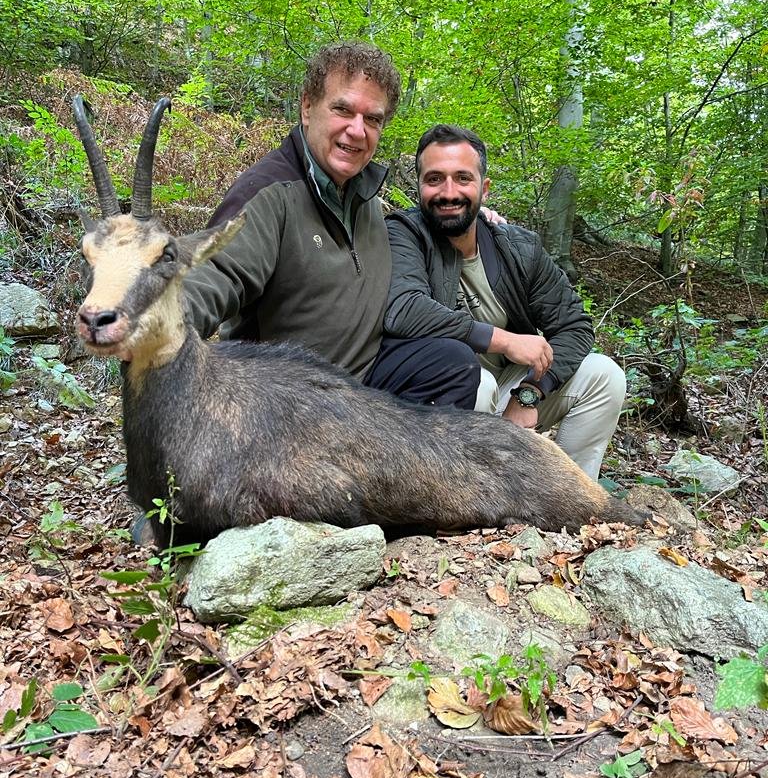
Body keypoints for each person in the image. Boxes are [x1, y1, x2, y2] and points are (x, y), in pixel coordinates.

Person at [183, 41, 481, 408]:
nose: (357, 131)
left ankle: (396, 464)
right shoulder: (269, 193)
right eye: (343, 109)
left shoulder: (362, 195)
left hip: (364, 378)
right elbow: (215, 271)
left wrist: (475, 219)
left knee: (453, 365)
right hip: (290, 396)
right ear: (307, 107)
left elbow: (424, 224)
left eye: (372, 119)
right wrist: (165, 321)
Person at [383, 124, 627, 480]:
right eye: (434, 179)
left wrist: (530, 392)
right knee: (475, 380)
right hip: (445, 389)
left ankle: (571, 496)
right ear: (419, 186)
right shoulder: (404, 234)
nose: (448, 192)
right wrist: (506, 340)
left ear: (483, 188)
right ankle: (471, 499)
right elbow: (404, 309)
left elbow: (573, 325)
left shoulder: (518, 248)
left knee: (604, 376)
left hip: (508, 386)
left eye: (462, 178)